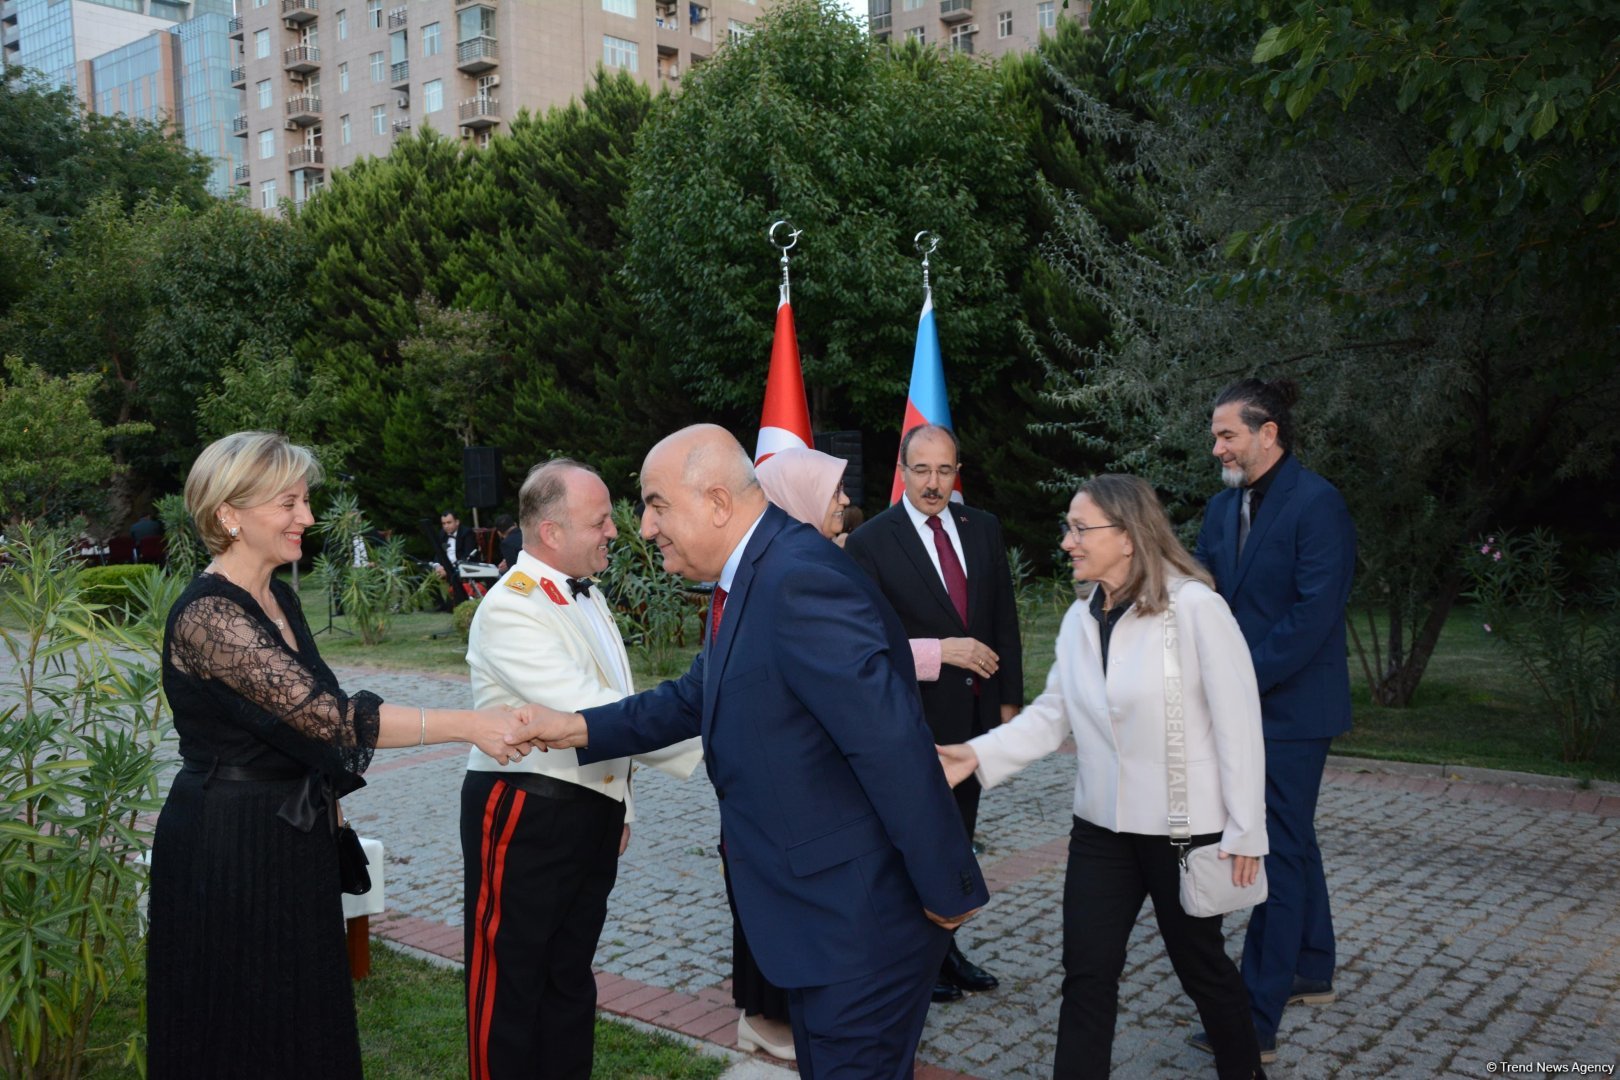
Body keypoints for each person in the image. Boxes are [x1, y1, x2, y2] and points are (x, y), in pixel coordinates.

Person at [505, 424, 987, 1080]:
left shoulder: (796, 579)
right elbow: (690, 699)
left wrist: (947, 885)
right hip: (817, 928)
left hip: (857, 930)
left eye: (655, 504)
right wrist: (576, 727)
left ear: (717, 502)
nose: (644, 528)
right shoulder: (748, 577)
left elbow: (889, 740)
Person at [146, 431, 538, 1079]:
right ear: (228, 515)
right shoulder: (207, 616)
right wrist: (471, 723)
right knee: (239, 1024)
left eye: (305, 500)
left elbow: (314, 724)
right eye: (289, 503)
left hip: (292, 838)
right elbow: (331, 717)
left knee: (302, 1015)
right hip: (229, 845)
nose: (306, 517)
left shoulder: (280, 596)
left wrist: (335, 817)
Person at [937, 474, 1268, 1079]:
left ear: (1128, 535)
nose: (1067, 541)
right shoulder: (1080, 619)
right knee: (1086, 974)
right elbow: (1051, 715)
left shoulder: (1195, 608)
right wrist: (975, 756)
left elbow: (1239, 725)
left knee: (1204, 973)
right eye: (1069, 527)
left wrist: (1246, 832)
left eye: (1080, 528)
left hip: (1182, 831)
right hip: (1101, 829)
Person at [461, 459, 702, 1080]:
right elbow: (594, 711)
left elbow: (614, 705)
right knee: (510, 979)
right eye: (600, 522)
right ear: (550, 532)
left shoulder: (580, 590)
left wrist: (621, 805)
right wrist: (714, 744)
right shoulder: (512, 607)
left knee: (568, 975)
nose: (614, 533)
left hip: (587, 811)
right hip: (525, 809)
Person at [1190, 379, 1356, 1064]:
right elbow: (1200, 586)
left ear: (1268, 433)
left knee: (1274, 851)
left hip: (1293, 710)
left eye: (1226, 434)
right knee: (1293, 836)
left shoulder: (1318, 503)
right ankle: (1311, 964)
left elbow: (1315, 614)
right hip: (1240, 705)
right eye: (1215, 435)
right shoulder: (1218, 506)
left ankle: (1253, 1015)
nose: (1217, 447)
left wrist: (1236, 680)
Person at [843, 423, 1024, 1001]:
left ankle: (946, 954)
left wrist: (1008, 711)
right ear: (902, 469)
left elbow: (1003, 624)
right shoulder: (873, 540)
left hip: (971, 725)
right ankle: (914, 961)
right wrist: (942, 653)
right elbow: (869, 638)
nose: (933, 483)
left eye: (944, 470)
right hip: (909, 722)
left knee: (956, 842)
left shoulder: (983, 528)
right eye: (921, 470)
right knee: (910, 844)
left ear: (957, 471)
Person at [430, 509, 479, 607]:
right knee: (427, 573)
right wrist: (437, 566)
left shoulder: (466, 533)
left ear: (457, 522)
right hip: (445, 566)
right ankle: (439, 603)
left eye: (449, 522)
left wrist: (448, 570)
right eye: (443, 523)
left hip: (460, 566)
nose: (446, 526)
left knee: (451, 604)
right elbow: (438, 553)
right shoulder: (442, 534)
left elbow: (467, 556)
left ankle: (452, 602)